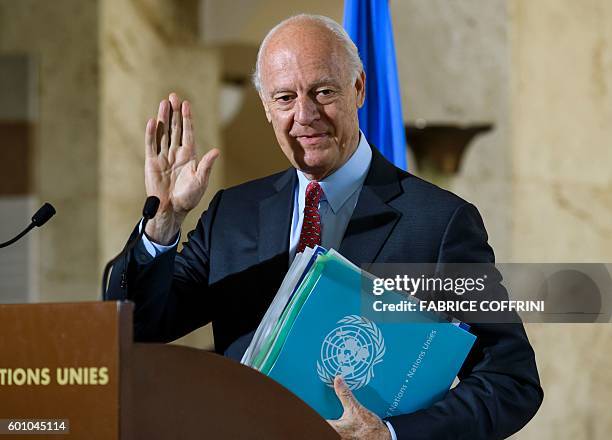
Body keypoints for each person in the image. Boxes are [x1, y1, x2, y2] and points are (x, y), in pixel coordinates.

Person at [108, 14, 543, 440]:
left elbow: (510, 381)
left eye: (323, 91)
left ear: (358, 89)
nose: (305, 114)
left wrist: (391, 434)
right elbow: (138, 328)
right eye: (284, 98)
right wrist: (162, 222)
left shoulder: (440, 223)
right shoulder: (233, 213)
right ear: (265, 107)